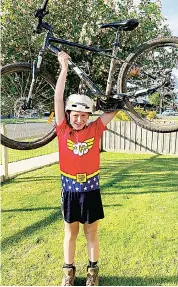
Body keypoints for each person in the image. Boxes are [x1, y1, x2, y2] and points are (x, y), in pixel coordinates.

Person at [55, 51, 118, 286]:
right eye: (75, 115)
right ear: (68, 115)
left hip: (91, 189)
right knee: (70, 233)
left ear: (88, 116)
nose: (79, 119)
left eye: (83, 115)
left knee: (92, 233)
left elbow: (115, 108)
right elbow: (58, 97)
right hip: (70, 190)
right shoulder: (62, 129)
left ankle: (93, 272)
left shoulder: (95, 129)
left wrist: (119, 96)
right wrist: (63, 69)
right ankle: (68, 272)